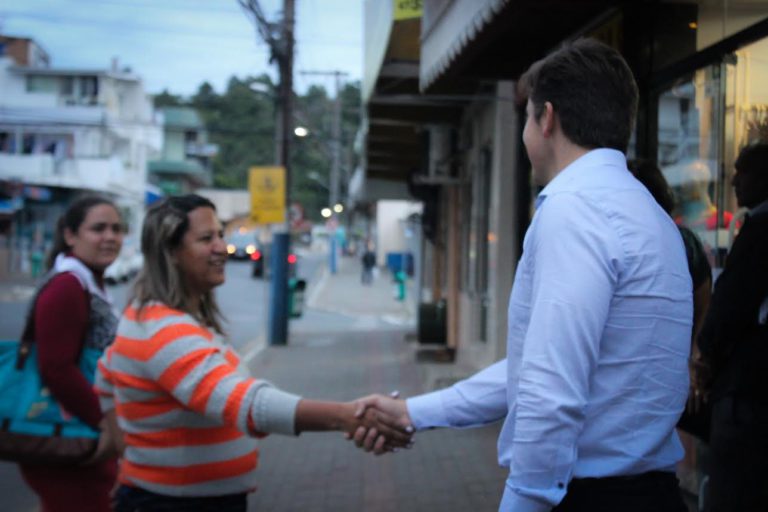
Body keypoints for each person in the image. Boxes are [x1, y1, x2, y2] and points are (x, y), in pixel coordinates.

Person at [353, 39, 693, 511]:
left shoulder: (574, 210)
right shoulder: (653, 217)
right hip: (652, 493)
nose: (525, 136)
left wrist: (525, 500)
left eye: (526, 119)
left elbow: (550, 390)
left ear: (546, 118)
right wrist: (414, 411)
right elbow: (536, 372)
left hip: (591, 497)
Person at [95, 194, 411, 512]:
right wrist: (347, 416)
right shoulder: (163, 331)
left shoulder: (151, 317)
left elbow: (106, 376)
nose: (221, 247)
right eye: (206, 238)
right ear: (171, 252)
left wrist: (127, 457)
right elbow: (248, 404)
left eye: (220, 234)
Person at [20, 195, 125, 512]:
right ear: (70, 235)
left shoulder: (85, 280)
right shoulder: (68, 285)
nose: (110, 237)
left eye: (117, 229)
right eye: (98, 228)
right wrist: (104, 422)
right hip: (68, 434)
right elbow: (56, 368)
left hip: (76, 434)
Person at [693, 141, 768, 511]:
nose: (734, 180)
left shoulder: (760, 231)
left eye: (744, 171)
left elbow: (730, 307)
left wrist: (706, 356)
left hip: (747, 396)